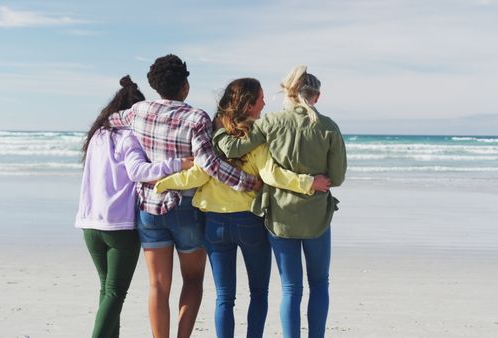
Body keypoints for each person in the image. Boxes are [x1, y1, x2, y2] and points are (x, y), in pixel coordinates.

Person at [154, 78, 332, 338]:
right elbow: (272, 175)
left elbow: (198, 175)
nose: (264, 102)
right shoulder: (257, 138)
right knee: (259, 293)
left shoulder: (215, 136)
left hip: (215, 225)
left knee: (224, 297)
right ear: (248, 105)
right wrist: (308, 183)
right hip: (250, 223)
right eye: (260, 98)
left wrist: (162, 184)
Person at [107, 55, 259, 338]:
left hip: (149, 208)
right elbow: (209, 165)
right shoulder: (196, 117)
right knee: (192, 279)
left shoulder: (138, 111)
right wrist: (247, 182)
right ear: (185, 86)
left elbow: (111, 120)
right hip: (186, 208)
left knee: (158, 285)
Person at [216, 66, 347, 338]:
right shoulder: (329, 127)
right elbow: (338, 177)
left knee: (291, 288)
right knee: (320, 284)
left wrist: (217, 131)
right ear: (317, 97)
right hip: (317, 219)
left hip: (280, 218)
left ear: (290, 94)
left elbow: (231, 148)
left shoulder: (270, 122)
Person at [75, 75, 192, 338]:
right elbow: (139, 171)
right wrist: (179, 164)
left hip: (89, 225)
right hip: (119, 227)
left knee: (106, 290)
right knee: (115, 293)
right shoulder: (129, 136)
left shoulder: (97, 135)